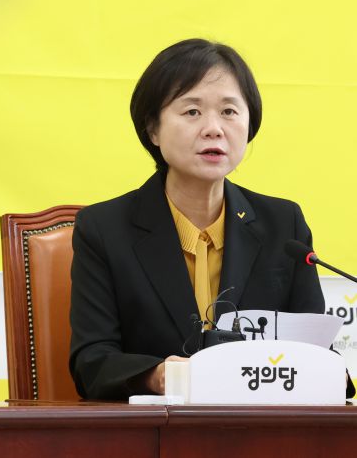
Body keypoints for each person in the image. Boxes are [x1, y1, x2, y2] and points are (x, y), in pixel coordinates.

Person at [69, 38, 334, 400]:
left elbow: (314, 352)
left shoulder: (284, 225)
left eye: (229, 111)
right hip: (156, 427)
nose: (214, 128)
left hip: (259, 425)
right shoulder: (103, 229)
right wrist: (158, 376)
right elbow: (92, 362)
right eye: (192, 111)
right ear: (153, 129)